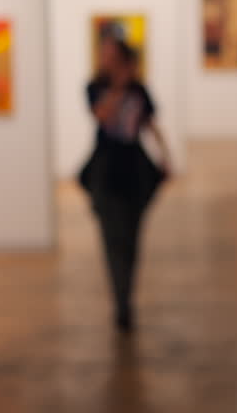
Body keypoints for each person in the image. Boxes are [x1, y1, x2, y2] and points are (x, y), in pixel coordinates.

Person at [81, 36, 172, 333]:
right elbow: (101, 115)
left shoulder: (139, 90)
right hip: (106, 170)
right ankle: (120, 301)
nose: (104, 58)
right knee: (112, 238)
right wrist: (119, 87)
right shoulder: (96, 88)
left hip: (134, 170)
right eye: (102, 53)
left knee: (131, 240)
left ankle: (126, 298)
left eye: (109, 53)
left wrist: (165, 157)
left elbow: (149, 125)